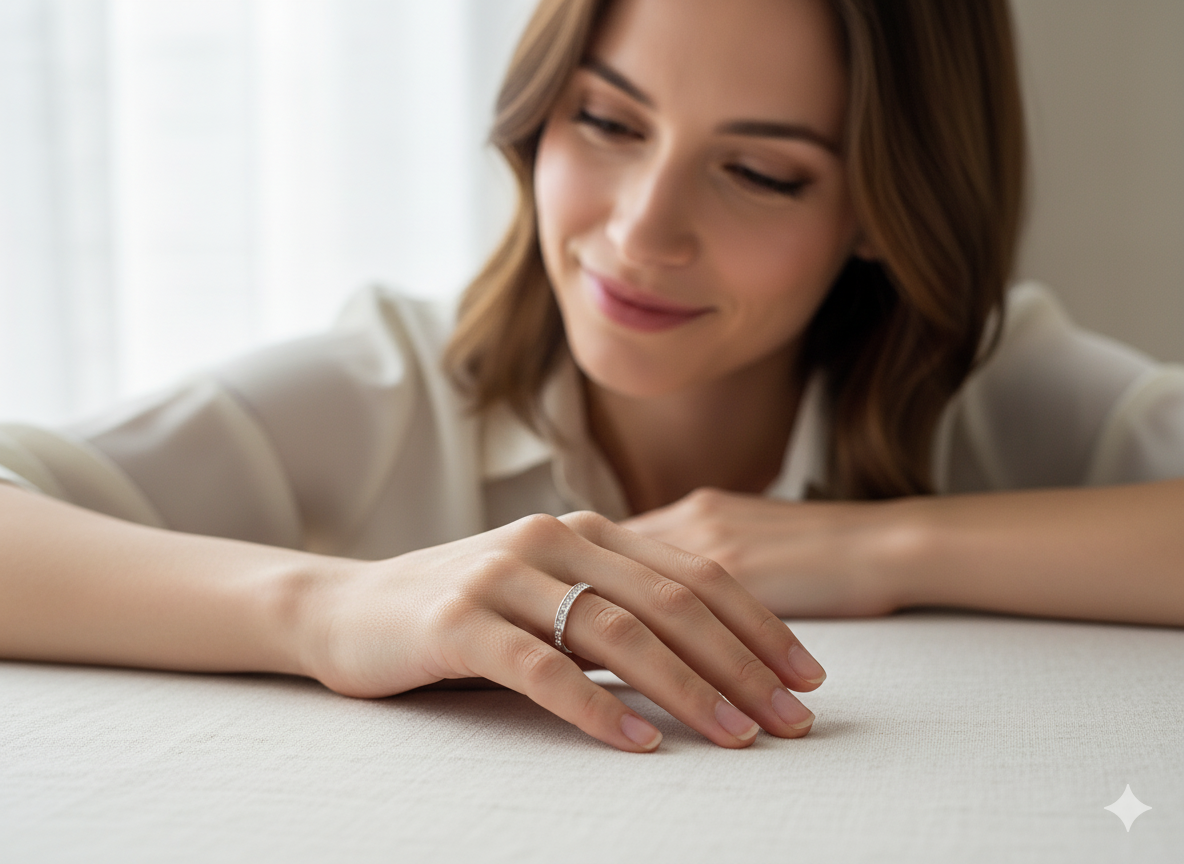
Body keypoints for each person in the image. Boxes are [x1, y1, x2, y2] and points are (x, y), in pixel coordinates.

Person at [1, 0, 1182, 755]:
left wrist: (884, 547)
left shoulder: (986, 381)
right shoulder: (385, 389)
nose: (640, 232)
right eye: (607, 123)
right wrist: (330, 605)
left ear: (883, 207)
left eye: (762, 173)